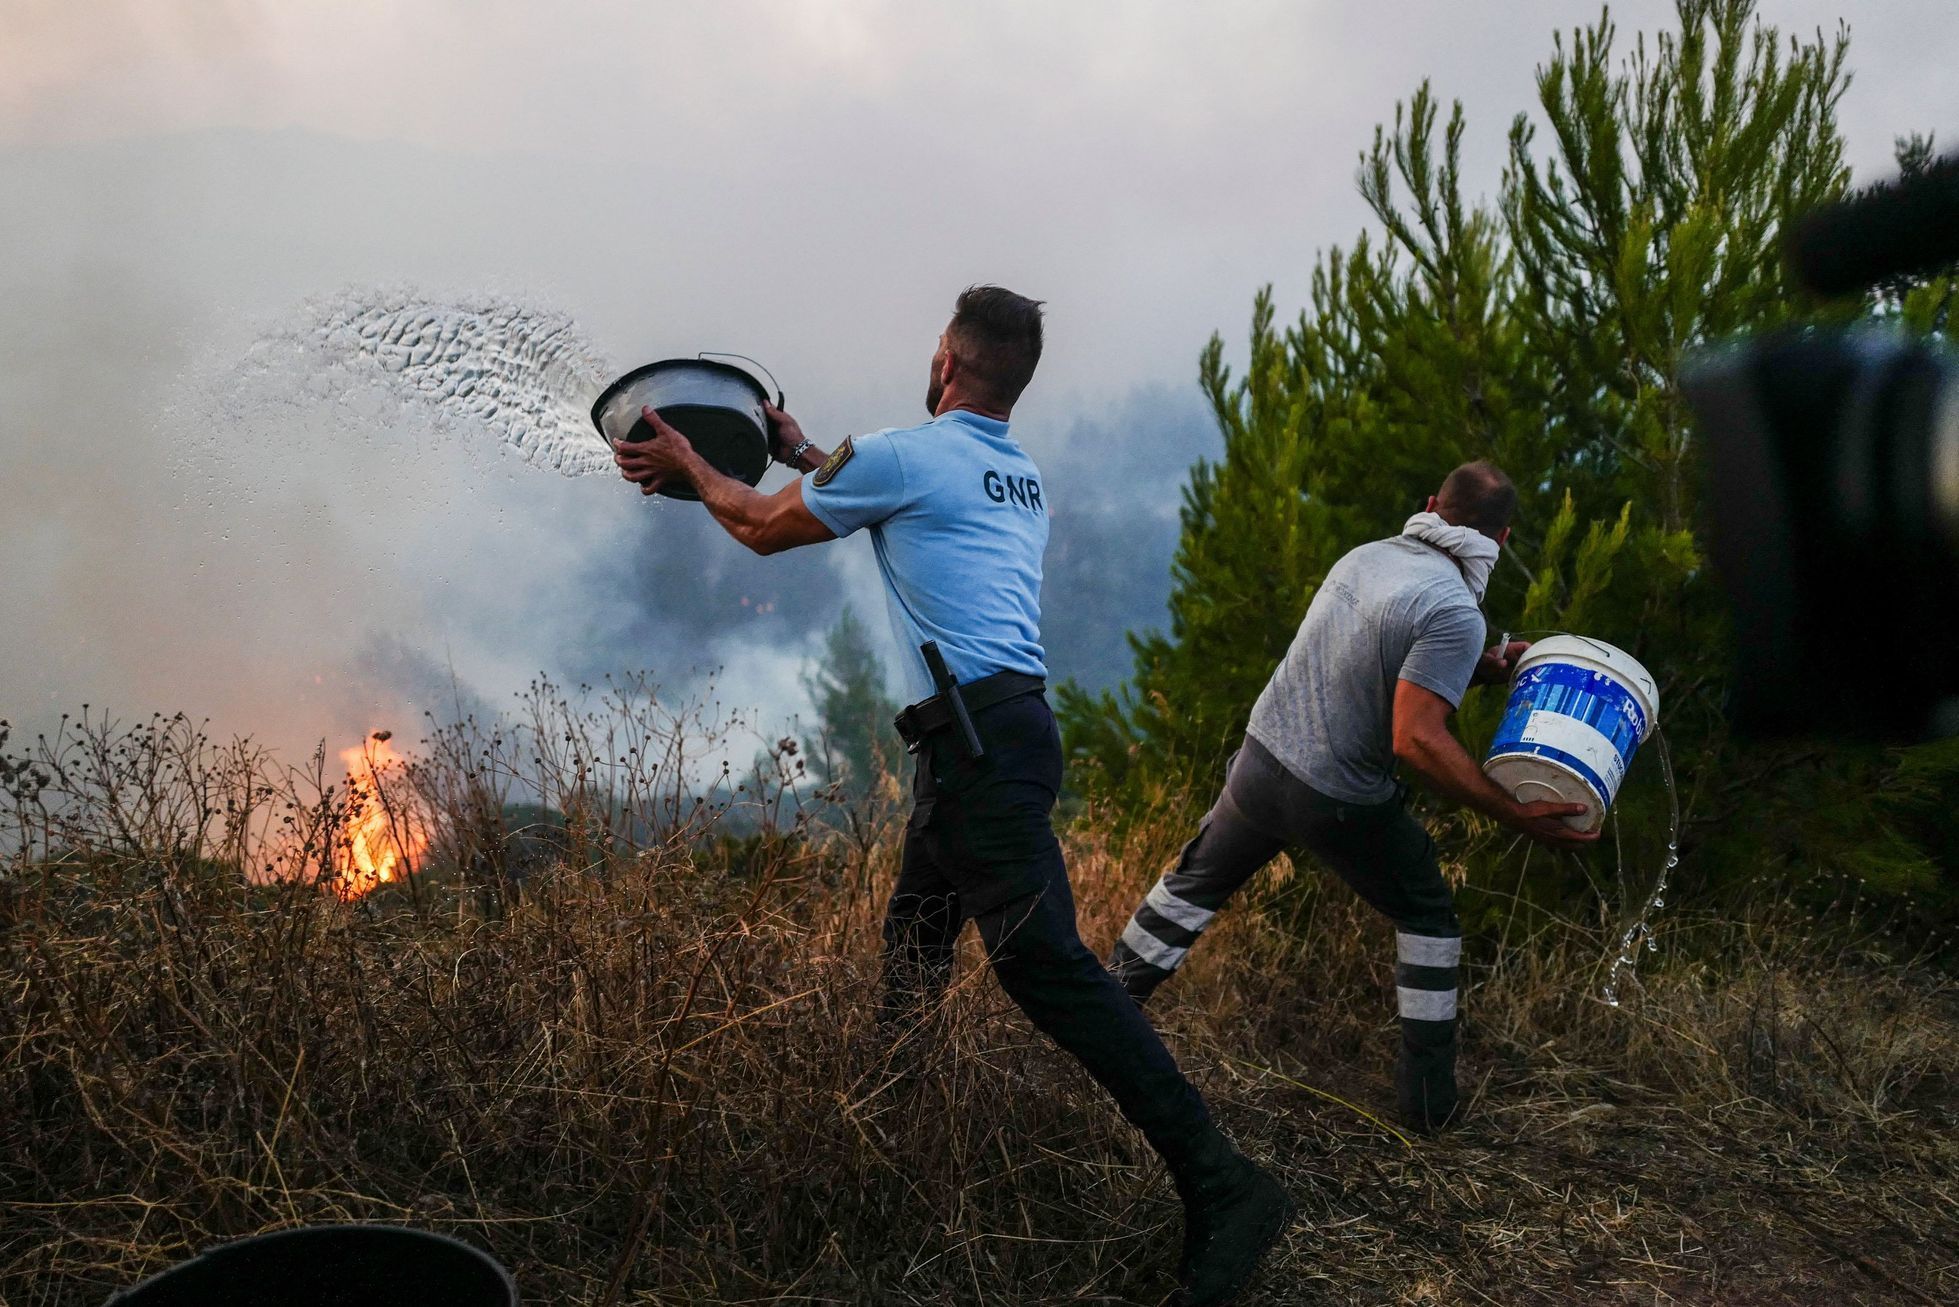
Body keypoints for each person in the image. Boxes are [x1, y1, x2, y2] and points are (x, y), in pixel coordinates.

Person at [612, 286, 1290, 1305]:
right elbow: (888, 489)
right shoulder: (1014, 471)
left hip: (977, 747)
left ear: (946, 360)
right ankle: (890, 1140)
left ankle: (1226, 1183)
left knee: (1051, 969)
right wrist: (803, 452)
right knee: (915, 946)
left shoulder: (904, 452)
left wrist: (688, 463)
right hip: (995, 738)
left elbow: (754, 527)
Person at [1107, 461, 1600, 1133]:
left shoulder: (1366, 556)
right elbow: (1414, 738)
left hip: (1260, 759)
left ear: (1429, 505)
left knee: (1189, 891)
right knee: (1427, 915)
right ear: (1503, 539)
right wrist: (1512, 811)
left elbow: (1368, 658)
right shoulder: (1455, 609)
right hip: (1334, 795)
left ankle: (1098, 1017)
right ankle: (1428, 1111)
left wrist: (1477, 668)